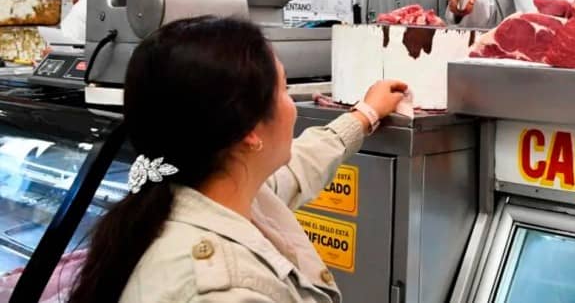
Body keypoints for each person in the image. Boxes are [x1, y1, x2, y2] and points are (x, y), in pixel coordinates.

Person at [68, 16, 407, 302]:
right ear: (249, 133)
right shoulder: (226, 291)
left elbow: (302, 165)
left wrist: (365, 115)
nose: (291, 106)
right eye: (285, 90)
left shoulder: (195, 192)